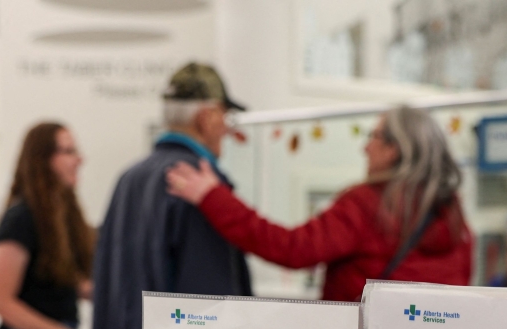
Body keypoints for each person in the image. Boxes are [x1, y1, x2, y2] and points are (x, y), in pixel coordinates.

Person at [165, 106, 473, 302]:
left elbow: (291, 248)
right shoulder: (452, 214)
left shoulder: (367, 205)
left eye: (374, 136)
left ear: (394, 148)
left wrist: (213, 197)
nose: (365, 147)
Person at [92, 63, 250, 329]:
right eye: (224, 117)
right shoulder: (198, 187)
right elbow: (210, 306)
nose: (228, 130)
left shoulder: (129, 178)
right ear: (206, 118)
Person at [0, 122, 96, 329]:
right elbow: (1, 302)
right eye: (69, 151)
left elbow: (61, 282)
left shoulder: (61, 219)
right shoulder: (20, 219)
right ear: (43, 160)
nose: (79, 159)